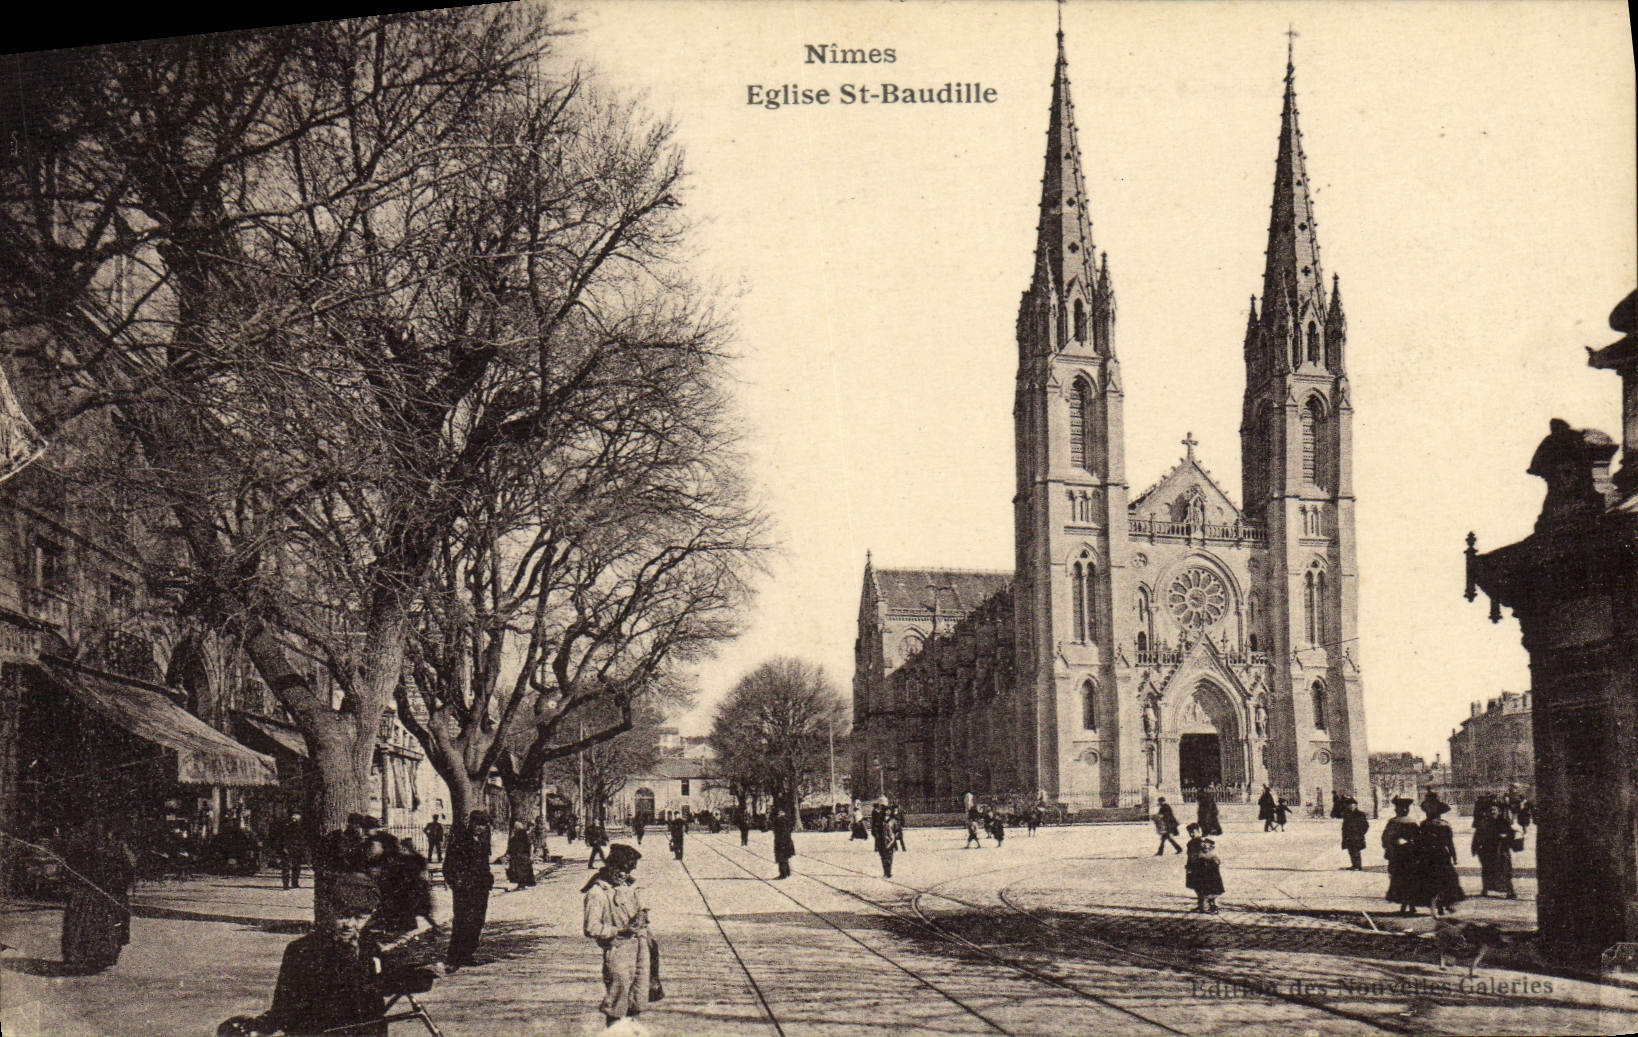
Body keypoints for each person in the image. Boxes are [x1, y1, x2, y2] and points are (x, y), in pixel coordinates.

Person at [236, 871, 437, 1037]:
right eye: (343, 916)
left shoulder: (368, 947)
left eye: (360, 917)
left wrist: (421, 976)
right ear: (328, 910)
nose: (350, 924)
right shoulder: (303, 951)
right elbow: (286, 1008)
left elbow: (382, 984)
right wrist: (262, 1025)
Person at [583, 844, 651, 1029]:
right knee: (618, 1003)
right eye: (620, 869)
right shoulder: (597, 892)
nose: (623, 874)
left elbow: (641, 905)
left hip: (640, 947)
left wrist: (643, 914)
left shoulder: (631, 885)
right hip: (618, 950)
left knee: (638, 999)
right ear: (610, 866)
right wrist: (619, 931)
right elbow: (591, 927)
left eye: (628, 870)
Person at [61, 822, 137, 971]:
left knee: (99, 923)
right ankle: (89, 956)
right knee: (91, 923)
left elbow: (129, 866)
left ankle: (96, 956)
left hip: (105, 892)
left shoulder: (115, 847)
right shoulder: (90, 847)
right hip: (95, 892)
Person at [443, 810, 495, 970]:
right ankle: (453, 958)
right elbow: (449, 865)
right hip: (464, 888)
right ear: (471, 823)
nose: (479, 828)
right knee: (462, 920)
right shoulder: (460, 840)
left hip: (480, 887)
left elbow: (484, 864)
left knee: (477, 921)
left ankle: (467, 954)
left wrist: (488, 879)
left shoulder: (483, 840)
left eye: (483, 825)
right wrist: (456, 882)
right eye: (477, 824)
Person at [1413, 799, 1465, 916]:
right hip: (1430, 856)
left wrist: (1454, 855)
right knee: (1433, 881)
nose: (1430, 814)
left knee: (1445, 880)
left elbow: (1449, 842)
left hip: (1440, 856)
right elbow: (1420, 841)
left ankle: (1445, 904)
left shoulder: (1443, 825)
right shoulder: (1424, 825)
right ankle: (1437, 905)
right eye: (1428, 811)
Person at [1381, 797, 1420, 914]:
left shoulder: (1408, 823)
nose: (1403, 810)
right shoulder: (1396, 822)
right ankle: (1406, 905)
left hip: (1406, 856)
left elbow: (1419, 839)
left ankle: (1410, 905)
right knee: (1405, 880)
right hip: (1401, 856)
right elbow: (1386, 839)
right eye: (1401, 808)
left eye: (1405, 808)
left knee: (1405, 879)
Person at [1472, 802, 1517, 899]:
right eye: (1491, 810)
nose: (1492, 812)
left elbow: (1511, 833)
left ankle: (1510, 891)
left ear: (1499, 811)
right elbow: (1477, 835)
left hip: (1501, 850)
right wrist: (1474, 848)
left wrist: (1505, 836)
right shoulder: (1484, 822)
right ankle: (1485, 889)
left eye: (1494, 810)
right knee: (1487, 870)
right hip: (1487, 850)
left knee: (1505, 870)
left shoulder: (1503, 821)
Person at [1191, 837, 1224, 913]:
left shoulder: (1211, 856)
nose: (1204, 846)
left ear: (1211, 847)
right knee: (1204, 893)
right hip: (1204, 877)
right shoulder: (1201, 854)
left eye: (1206, 845)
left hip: (1211, 878)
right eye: (1203, 845)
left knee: (1209, 894)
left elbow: (1217, 863)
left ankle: (1210, 907)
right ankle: (1204, 907)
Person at [277, 812, 308, 890]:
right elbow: (282, 838)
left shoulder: (302, 828)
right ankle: (286, 884)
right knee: (287, 867)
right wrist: (283, 847)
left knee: (296, 867)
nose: (294, 820)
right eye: (293, 818)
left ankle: (294, 883)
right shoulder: (286, 827)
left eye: (296, 819)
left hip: (296, 849)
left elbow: (303, 839)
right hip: (289, 848)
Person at [1340, 797, 1370, 870]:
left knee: (1356, 851)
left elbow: (1365, 825)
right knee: (1350, 850)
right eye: (1349, 805)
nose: (1351, 806)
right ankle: (1354, 865)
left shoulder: (1360, 814)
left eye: (1352, 805)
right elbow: (1344, 826)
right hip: (1348, 836)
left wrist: (1360, 833)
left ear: (1356, 805)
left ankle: (1358, 866)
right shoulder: (1346, 814)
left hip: (1357, 836)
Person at [505, 821, 536, 890]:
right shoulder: (517, 837)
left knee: (521, 871)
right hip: (519, 856)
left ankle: (522, 885)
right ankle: (521, 884)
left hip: (521, 856)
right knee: (519, 871)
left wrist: (531, 855)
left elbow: (529, 846)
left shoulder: (522, 836)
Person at [870, 798, 896, 878]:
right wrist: (877, 837)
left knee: (889, 856)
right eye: (882, 806)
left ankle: (888, 872)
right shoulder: (877, 814)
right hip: (882, 839)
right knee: (884, 856)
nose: (885, 810)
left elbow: (896, 828)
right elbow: (874, 828)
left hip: (889, 839)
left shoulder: (891, 818)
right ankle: (886, 872)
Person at [772, 809, 796, 879]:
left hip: (781, 842)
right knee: (785, 857)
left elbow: (781, 832)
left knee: (781, 858)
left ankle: (783, 874)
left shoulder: (780, 821)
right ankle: (787, 872)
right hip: (788, 842)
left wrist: (781, 842)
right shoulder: (787, 820)